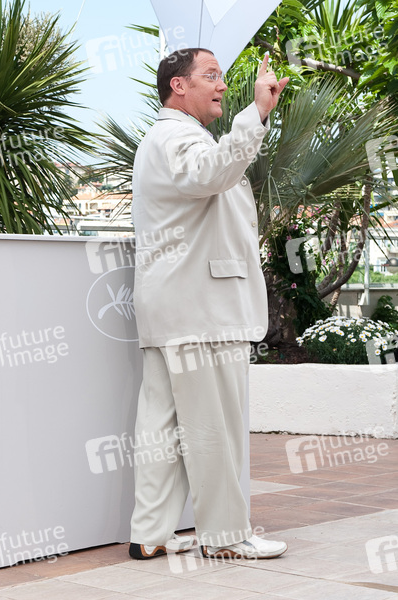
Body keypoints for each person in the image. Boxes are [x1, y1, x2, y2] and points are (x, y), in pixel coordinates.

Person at [128, 49, 289, 560]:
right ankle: (225, 536)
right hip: (200, 310)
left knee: (162, 426)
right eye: (211, 75)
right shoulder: (177, 138)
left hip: (178, 308)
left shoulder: (168, 139)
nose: (222, 85)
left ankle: (150, 534)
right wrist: (256, 114)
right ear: (178, 85)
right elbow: (211, 174)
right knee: (212, 427)